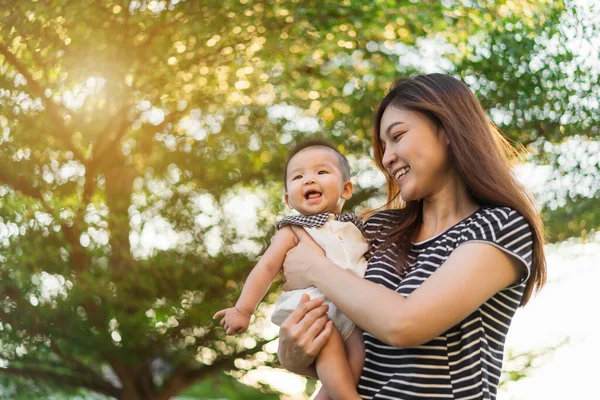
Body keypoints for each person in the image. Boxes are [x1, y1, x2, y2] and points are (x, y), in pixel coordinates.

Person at [276, 73, 547, 400]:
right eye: (383, 146)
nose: (386, 157)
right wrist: (293, 356)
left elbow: (404, 324)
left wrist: (315, 267)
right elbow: (348, 341)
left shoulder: (499, 226)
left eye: (398, 136)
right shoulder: (376, 230)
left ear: (447, 128)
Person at [213, 140, 368, 400]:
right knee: (327, 341)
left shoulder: (356, 227)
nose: (309, 180)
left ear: (347, 189)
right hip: (313, 307)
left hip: (352, 309)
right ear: (287, 198)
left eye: (321, 172)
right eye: (298, 176)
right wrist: (243, 309)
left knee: (359, 355)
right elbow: (266, 267)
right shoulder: (293, 229)